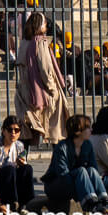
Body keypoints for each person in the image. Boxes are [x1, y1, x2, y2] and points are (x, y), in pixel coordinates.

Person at [15, 11, 70, 147]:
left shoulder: (24, 43)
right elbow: (45, 69)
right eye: (44, 23)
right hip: (42, 92)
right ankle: (59, 162)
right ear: (39, 25)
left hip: (26, 90)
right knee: (55, 130)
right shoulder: (40, 43)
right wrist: (53, 89)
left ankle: (22, 160)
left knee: (27, 131)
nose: (46, 25)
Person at [42, 114, 108, 209]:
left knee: (91, 170)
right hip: (57, 185)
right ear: (78, 131)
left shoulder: (87, 145)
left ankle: (104, 200)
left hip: (78, 183)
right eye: (88, 128)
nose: (91, 130)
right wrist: (80, 184)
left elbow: (94, 168)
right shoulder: (62, 147)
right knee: (81, 171)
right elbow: (62, 174)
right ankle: (90, 203)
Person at [0, 116, 35, 209]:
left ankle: (27, 204)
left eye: (16, 130)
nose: (13, 133)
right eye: (10, 130)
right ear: (3, 131)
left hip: (12, 183)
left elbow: (23, 173)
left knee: (27, 168)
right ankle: (11, 204)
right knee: (9, 169)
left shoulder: (19, 146)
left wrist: (22, 164)